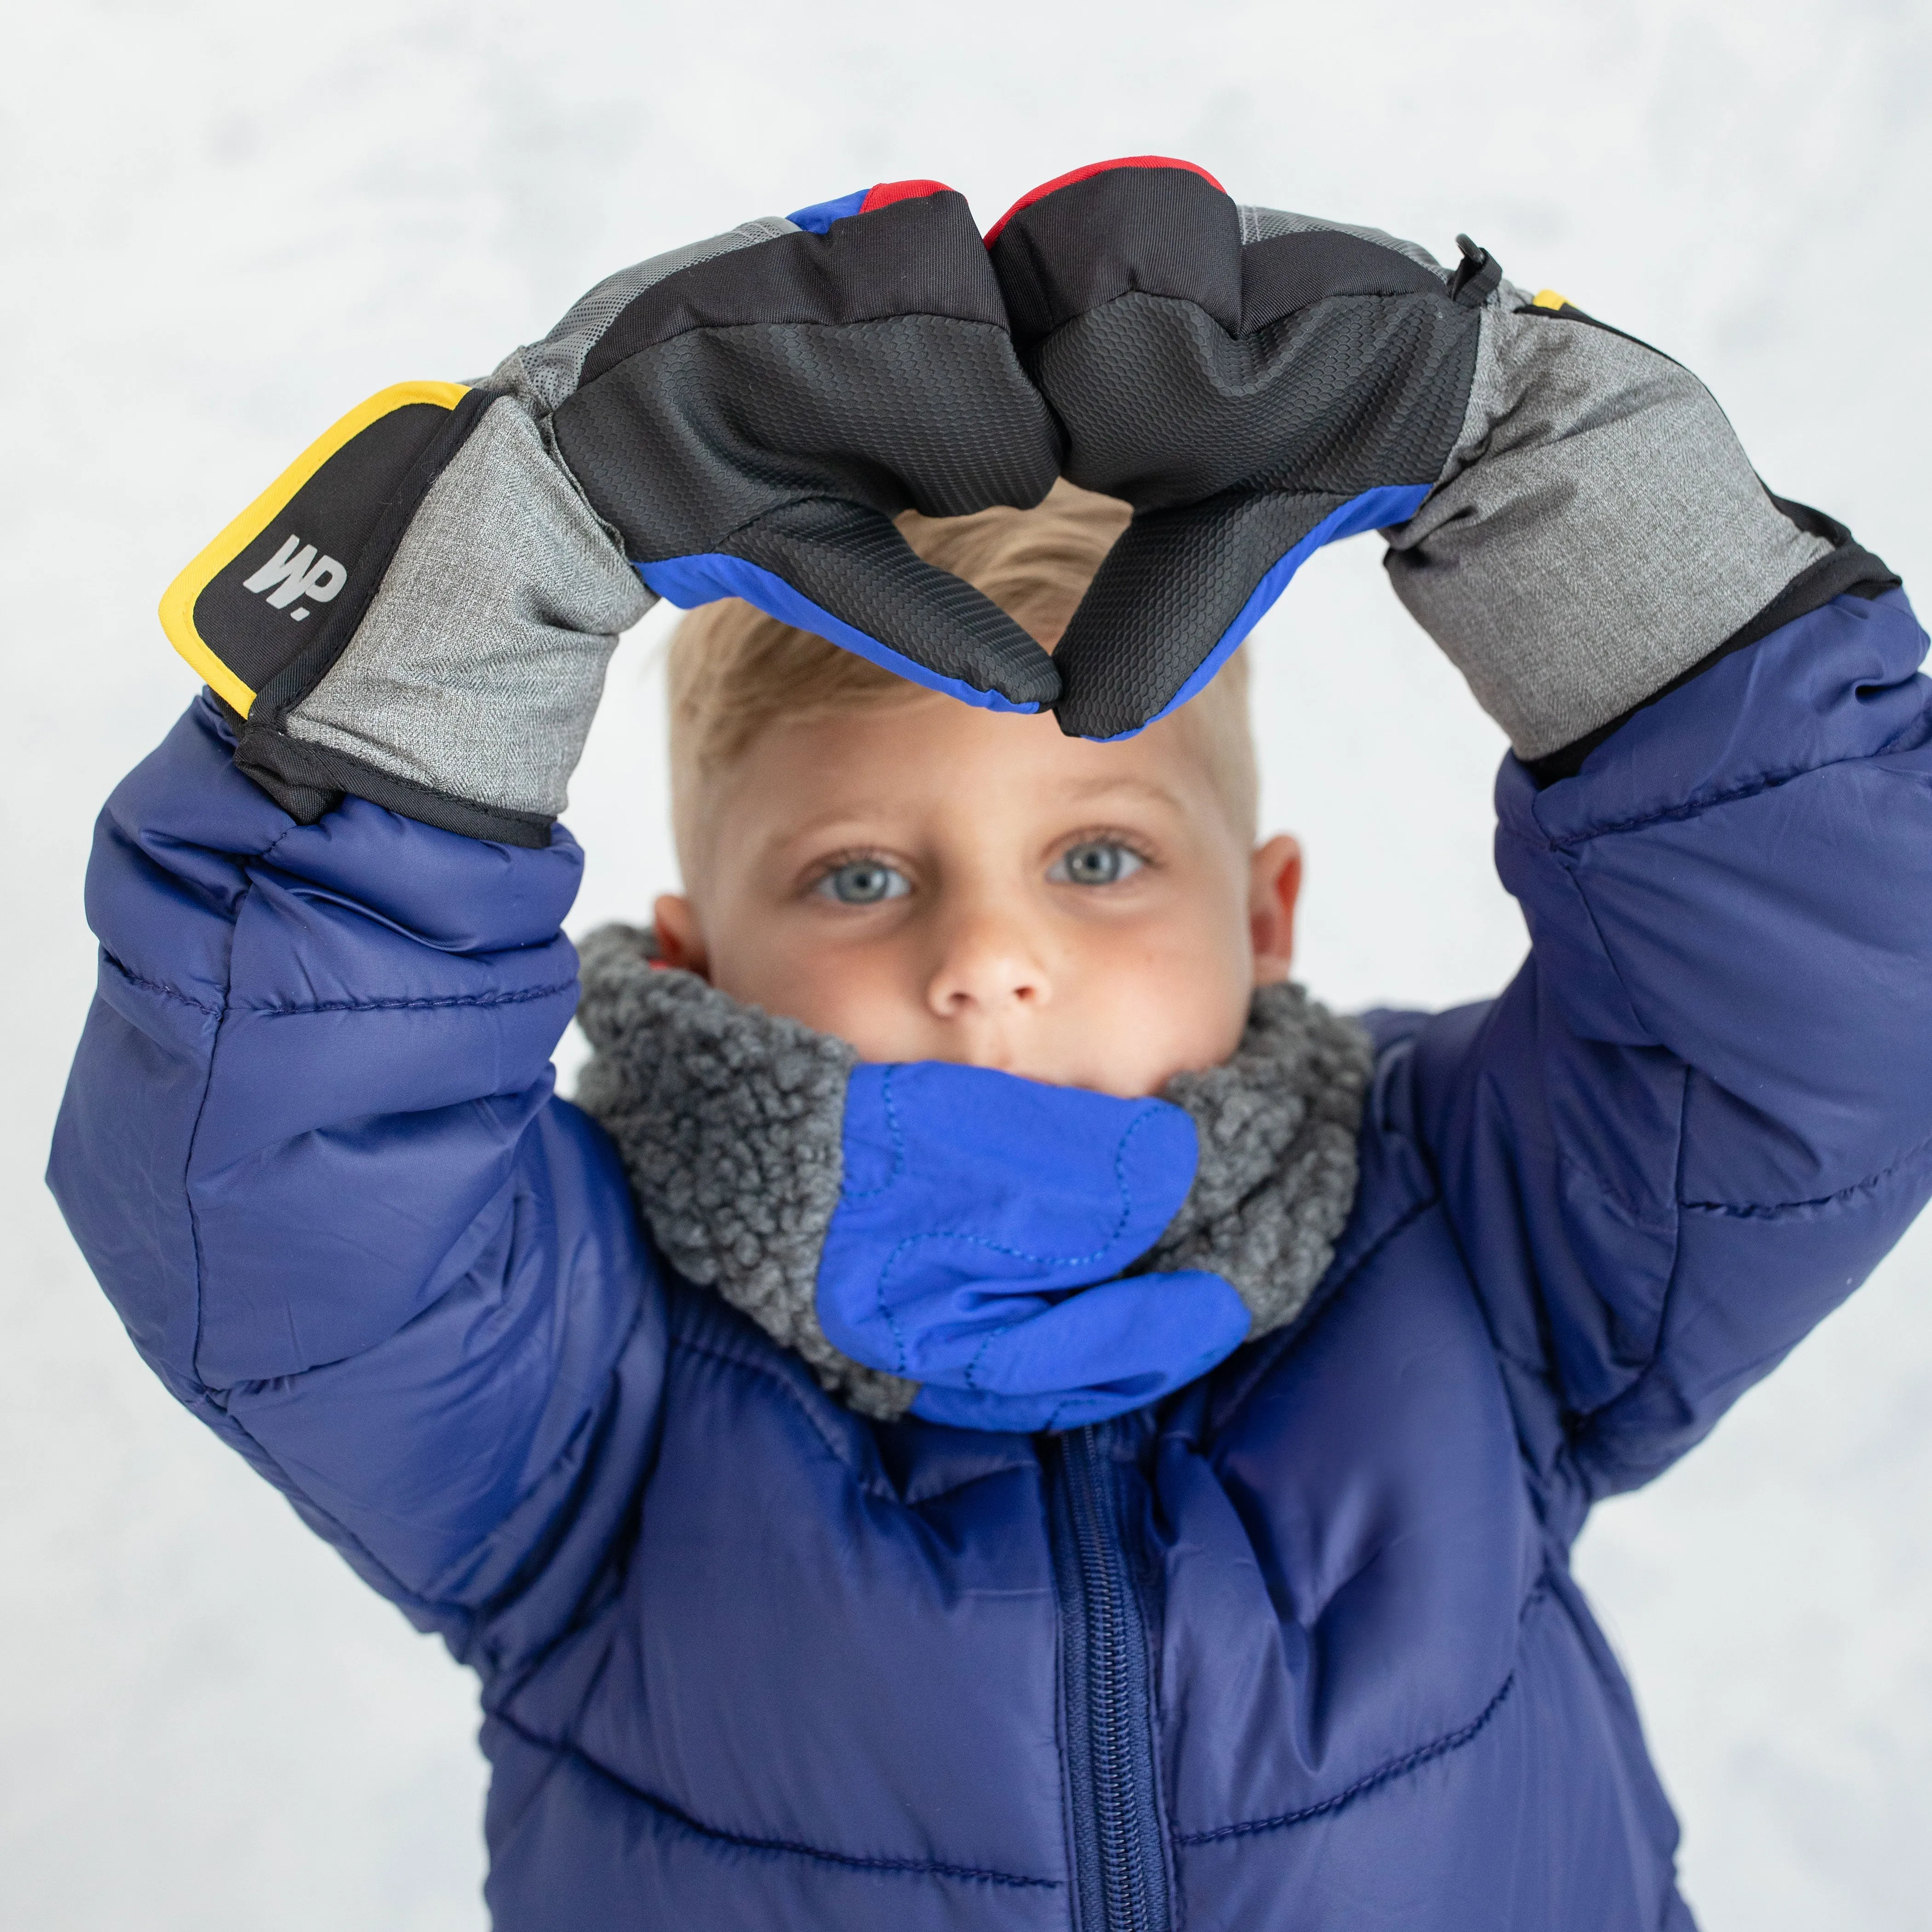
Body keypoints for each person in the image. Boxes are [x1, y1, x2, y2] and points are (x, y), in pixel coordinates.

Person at [47, 160, 1932, 1930]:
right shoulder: (576, 1379)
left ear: (1260, 913)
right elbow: (260, 1161)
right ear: (701, 956)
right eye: (862, 875)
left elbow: (1829, 1005)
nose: (990, 961)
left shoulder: (1480, 1246)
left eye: (1097, 855)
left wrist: (1535, 450)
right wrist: (523, 524)